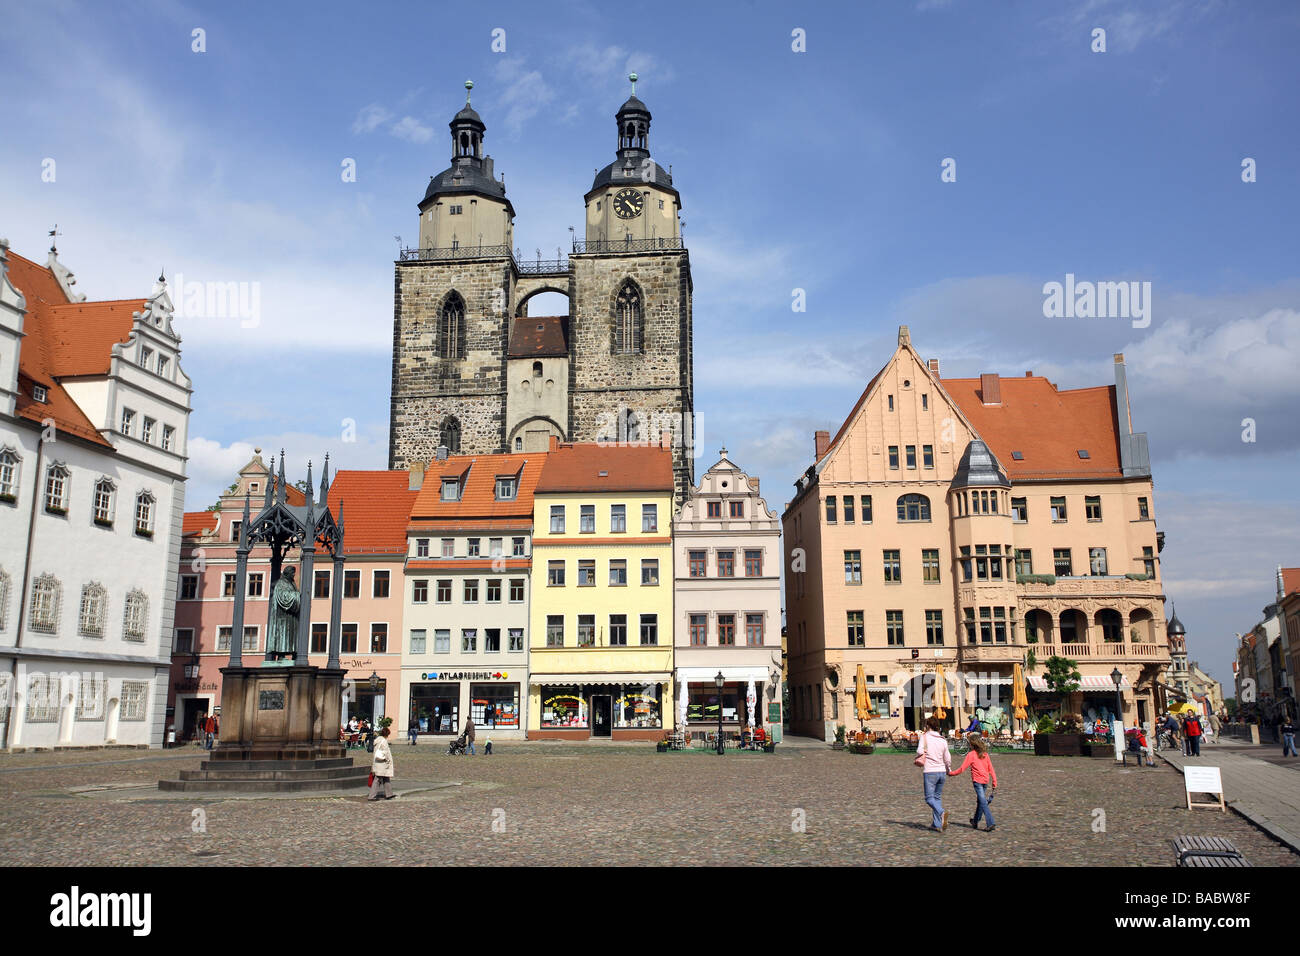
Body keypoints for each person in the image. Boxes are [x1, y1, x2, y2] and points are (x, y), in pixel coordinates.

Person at [949, 733, 998, 831]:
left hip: (978, 781)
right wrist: (994, 781)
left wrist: (951, 773)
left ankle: (990, 822)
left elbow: (962, 768)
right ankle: (975, 821)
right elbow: (991, 769)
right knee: (981, 801)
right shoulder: (985, 754)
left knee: (982, 802)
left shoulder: (971, 755)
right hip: (985, 780)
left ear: (971, 744)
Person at [916, 716, 952, 832]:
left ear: (928, 725)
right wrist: (948, 769)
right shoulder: (943, 739)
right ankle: (937, 824)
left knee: (929, 798)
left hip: (930, 771)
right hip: (942, 771)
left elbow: (919, 751)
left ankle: (941, 812)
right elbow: (947, 758)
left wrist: (925, 751)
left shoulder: (925, 737)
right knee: (937, 797)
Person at [367, 727, 395, 801]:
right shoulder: (384, 741)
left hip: (377, 762)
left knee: (386, 778)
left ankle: (389, 794)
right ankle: (371, 796)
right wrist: (388, 760)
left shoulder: (377, 740)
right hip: (383, 763)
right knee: (377, 779)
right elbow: (386, 752)